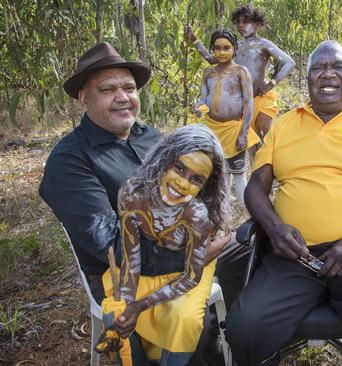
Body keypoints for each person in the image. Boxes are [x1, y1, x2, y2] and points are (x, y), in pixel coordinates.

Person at [39, 41, 248, 365]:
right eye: (108, 90)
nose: (122, 97)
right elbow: (110, 243)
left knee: (253, 247)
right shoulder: (70, 160)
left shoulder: (150, 136)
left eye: (128, 88)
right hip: (126, 272)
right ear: (83, 98)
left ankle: (233, 335)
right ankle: (197, 347)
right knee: (183, 316)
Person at [225, 40, 342, 366]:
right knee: (245, 327)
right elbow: (256, 188)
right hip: (294, 255)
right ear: (308, 78)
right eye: (318, 68)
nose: (328, 75)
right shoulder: (284, 125)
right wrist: (274, 229)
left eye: (338, 67)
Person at [100, 124, 230, 365]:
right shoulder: (133, 193)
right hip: (146, 267)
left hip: (189, 270)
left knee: (184, 318)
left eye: (196, 179)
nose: (182, 183)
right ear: (164, 159)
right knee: (116, 313)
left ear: (205, 187)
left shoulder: (197, 214)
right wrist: (129, 304)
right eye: (179, 168)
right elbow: (131, 256)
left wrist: (140, 305)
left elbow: (192, 276)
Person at [185, 4, 295, 141]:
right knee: (251, 143)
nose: (241, 26)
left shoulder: (264, 44)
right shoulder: (237, 47)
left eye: (246, 21)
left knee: (266, 137)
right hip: (241, 104)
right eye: (238, 22)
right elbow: (212, 60)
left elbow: (289, 62)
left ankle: (276, 160)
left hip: (260, 99)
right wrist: (195, 41)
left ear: (256, 23)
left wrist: (271, 83)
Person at [192, 29, 258, 208]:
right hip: (213, 129)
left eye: (226, 48)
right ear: (212, 49)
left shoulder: (241, 72)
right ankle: (224, 204)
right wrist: (198, 108)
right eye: (217, 48)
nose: (221, 52)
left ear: (234, 49)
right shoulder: (208, 73)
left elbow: (248, 104)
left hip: (234, 129)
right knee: (219, 169)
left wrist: (244, 133)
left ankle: (245, 206)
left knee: (237, 169)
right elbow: (204, 99)